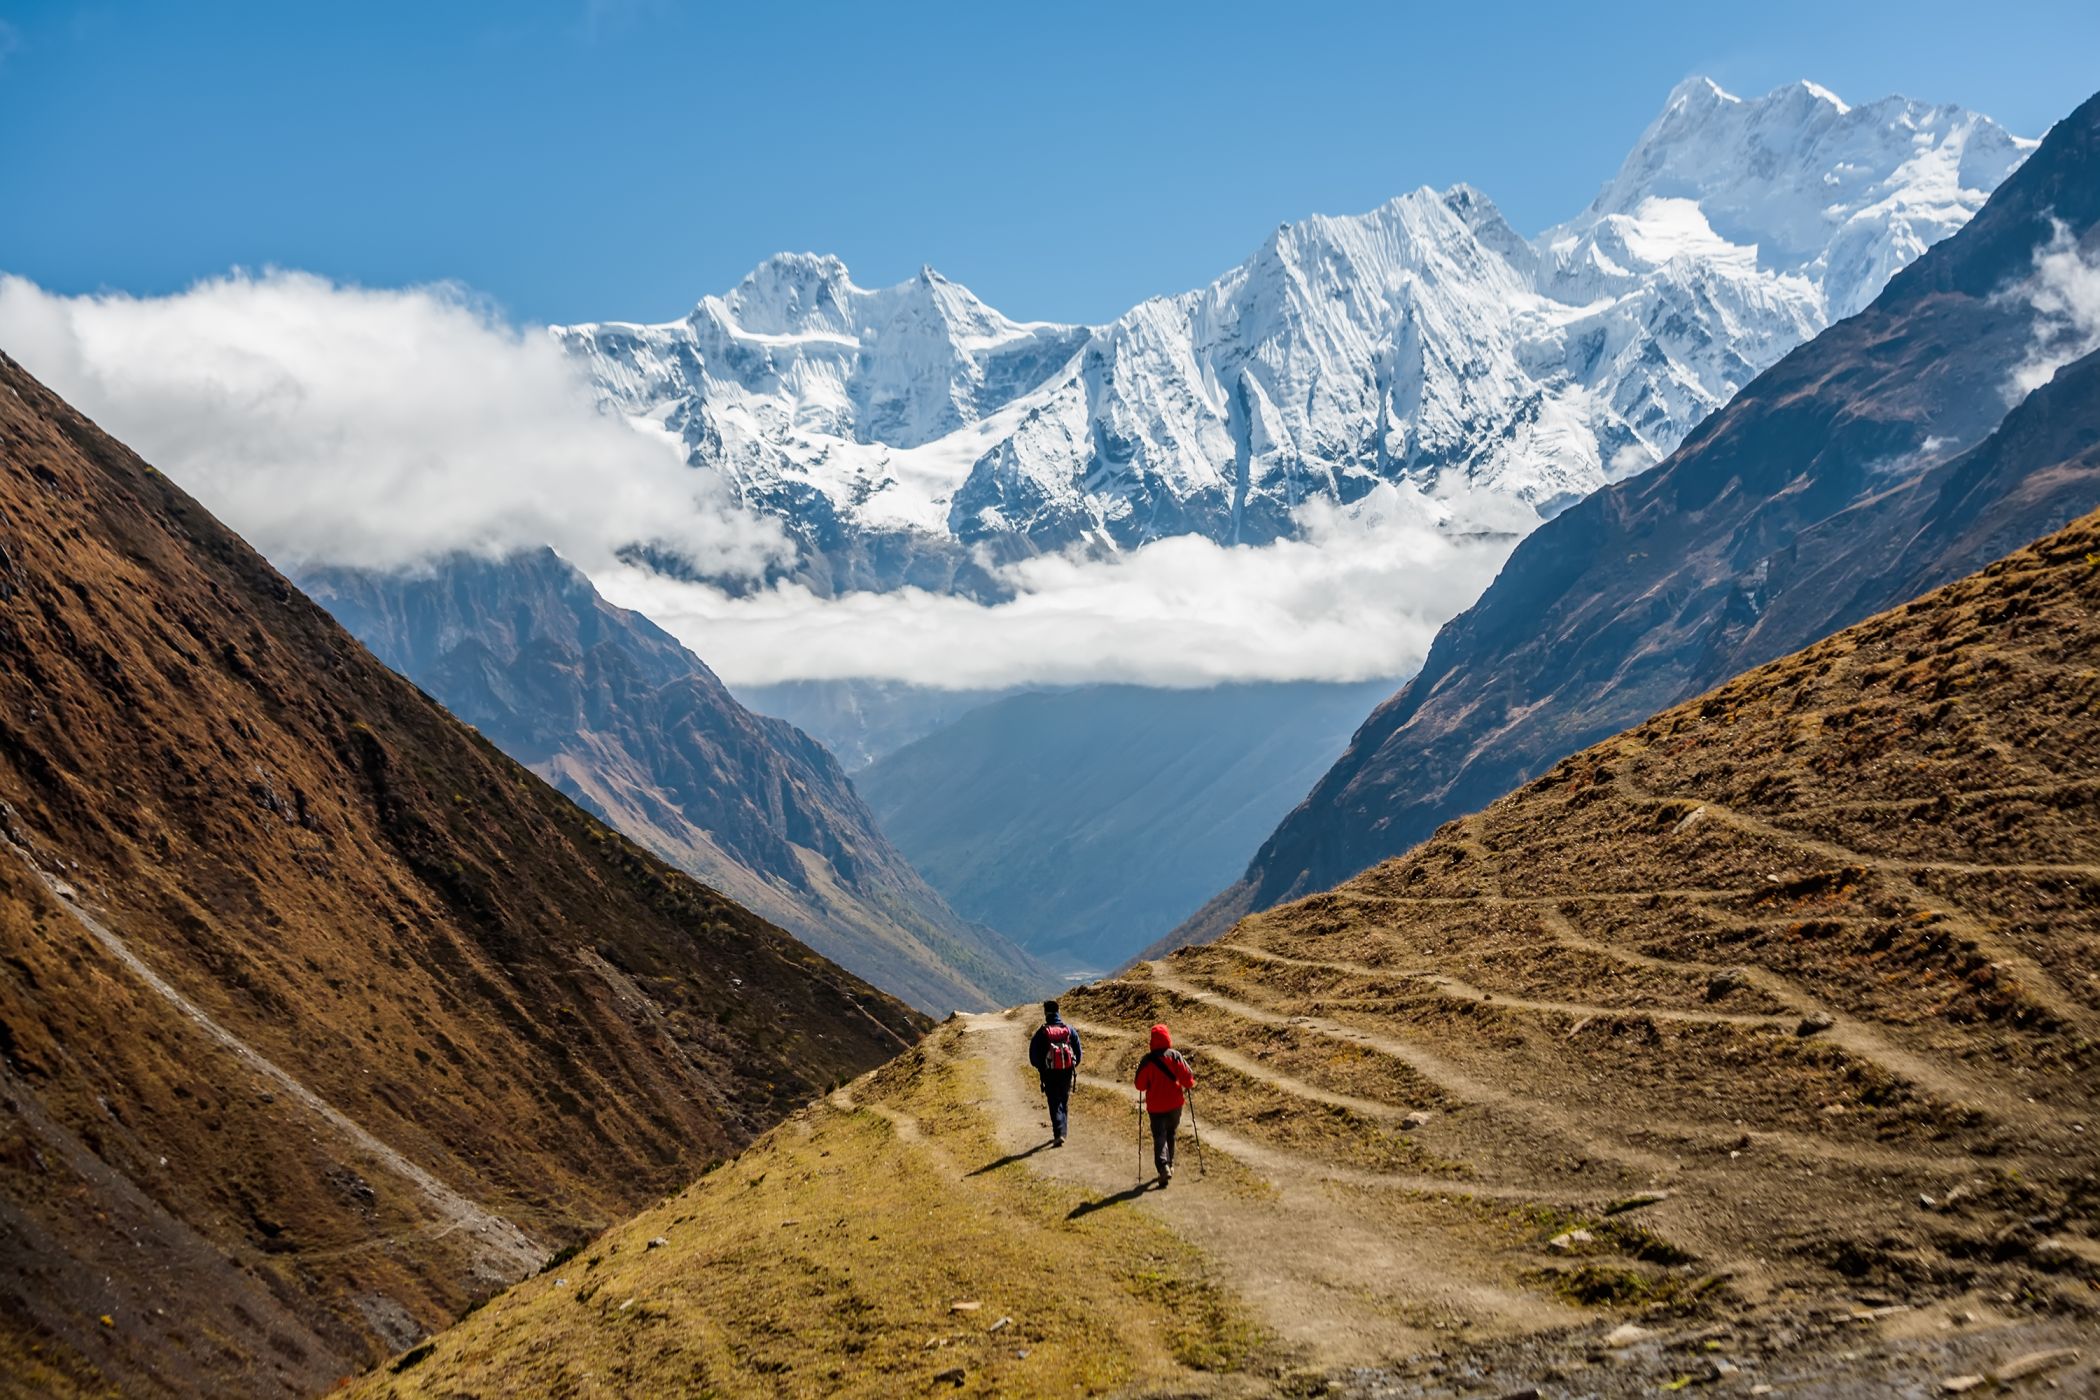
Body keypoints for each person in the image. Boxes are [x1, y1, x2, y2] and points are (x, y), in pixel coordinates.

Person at [1133, 1022, 1195, 1187]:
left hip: (1156, 1106)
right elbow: (1188, 1078)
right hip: (1175, 1104)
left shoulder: (1147, 1060)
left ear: (1152, 1040)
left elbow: (1139, 1084)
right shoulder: (1175, 1056)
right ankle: (1170, 1164)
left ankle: (1163, 1167)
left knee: (1159, 1136)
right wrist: (1188, 1084)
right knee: (1171, 1133)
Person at [1028, 999, 1082, 1147]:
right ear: (1058, 1011)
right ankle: (1063, 1132)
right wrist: (1072, 1065)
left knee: (1053, 1102)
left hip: (1049, 1072)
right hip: (1066, 1071)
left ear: (1046, 1013)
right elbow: (1078, 1052)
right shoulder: (1069, 1030)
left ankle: (1059, 1133)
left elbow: (1033, 1056)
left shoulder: (1042, 1032)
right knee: (1063, 1100)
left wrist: (1041, 1067)